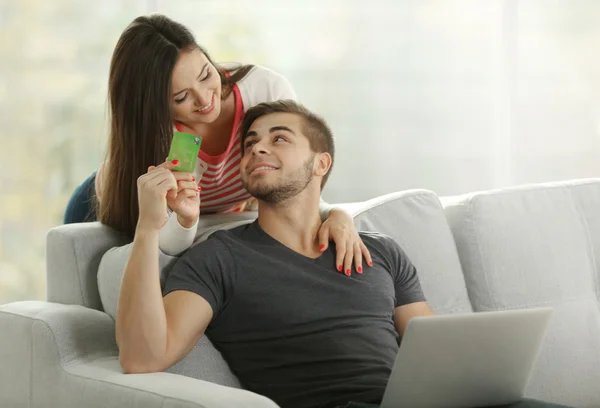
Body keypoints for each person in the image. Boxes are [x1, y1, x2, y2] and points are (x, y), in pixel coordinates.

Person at [115, 100, 570, 408]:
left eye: (278, 139)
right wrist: (148, 227)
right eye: (250, 143)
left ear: (321, 163)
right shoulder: (219, 258)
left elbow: (437, 348)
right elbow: (143, 357)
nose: (257, 148)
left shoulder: (382, 252)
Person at [64, 14, 370, 273]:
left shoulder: (264, 91)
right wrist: (185, 217)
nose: (204, 98)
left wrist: (337, 215)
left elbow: (296, 182)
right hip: (103, 202)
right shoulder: (165, 141)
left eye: (206, 74)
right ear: (155, 108)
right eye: (181, 97)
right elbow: (168, 243)